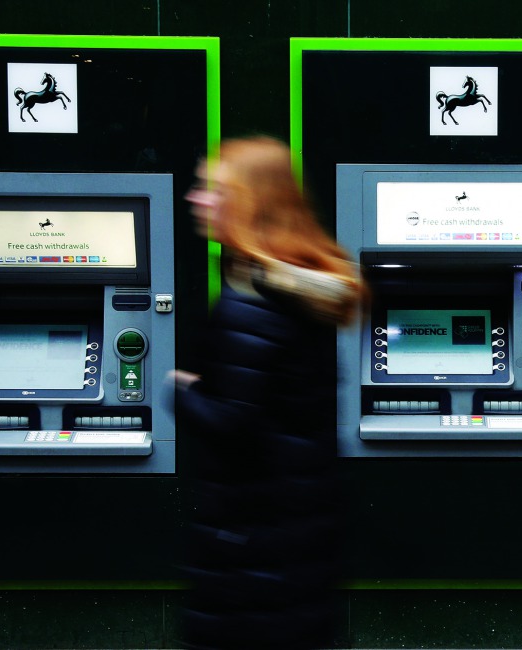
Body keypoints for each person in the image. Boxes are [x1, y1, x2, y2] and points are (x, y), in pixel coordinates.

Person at [174, 136, 363, 649]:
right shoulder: (301, 290)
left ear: (246, 201)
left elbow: (232, 423)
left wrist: (180, 389)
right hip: (299, 533)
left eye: (213, 189)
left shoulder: (252, 301)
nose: (197, 199)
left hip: (249, 545)